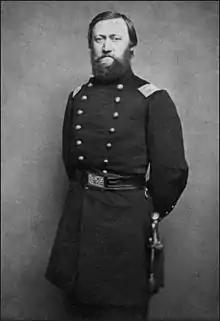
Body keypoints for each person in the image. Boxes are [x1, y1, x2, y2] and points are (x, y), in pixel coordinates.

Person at [45, 11, 189, 320]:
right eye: (98, 39)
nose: (106, 46)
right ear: (90, 47)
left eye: (115, 38)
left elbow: (172, 171)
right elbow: (71, 162)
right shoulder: (78, 95)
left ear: (131, 47)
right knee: (76, 308)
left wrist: (146, 211)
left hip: (126, 225)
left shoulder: (153, 98)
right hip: (80, 218)